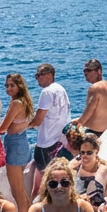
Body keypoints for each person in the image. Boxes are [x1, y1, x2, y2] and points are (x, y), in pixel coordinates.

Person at [28, 64, 72, 198]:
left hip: (46, 145)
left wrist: (22, 125)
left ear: (49, 75)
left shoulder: (46, 92)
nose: (37, 79)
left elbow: (38, 120)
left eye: (38, 75)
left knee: (42, 185)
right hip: (60, 141)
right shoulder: (61, 89)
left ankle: (38, 207)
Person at [0, 73, 35, 212]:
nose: (8, 88)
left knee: (17, 192)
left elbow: (3, 128)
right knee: (21, 191)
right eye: (6, 85)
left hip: (15, 145)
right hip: (22, 143)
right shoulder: (24, 102)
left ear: (19, 86)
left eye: (12, 85)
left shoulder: (16, 104)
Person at [73, 59, 107, 136]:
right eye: (84, 71)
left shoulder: (95, 88)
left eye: (89, 70)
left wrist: (78, 124)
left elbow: (88, 112)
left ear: (98, 71)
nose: (85, 73)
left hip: (95, 133)